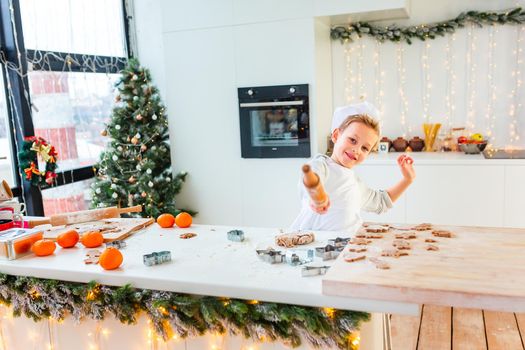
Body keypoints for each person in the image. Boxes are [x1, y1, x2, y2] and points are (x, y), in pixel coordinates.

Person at [290, 101, 415, 233]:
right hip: (316, 246)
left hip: (347, 248)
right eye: (353, 140)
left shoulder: (355, 183)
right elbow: (312, 180)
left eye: (365, 148)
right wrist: (316, 198)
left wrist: (407, 179)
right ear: (336, 135)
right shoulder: (321, 165)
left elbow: (381, 202)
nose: (357, 150)